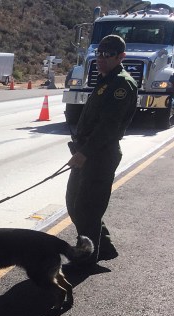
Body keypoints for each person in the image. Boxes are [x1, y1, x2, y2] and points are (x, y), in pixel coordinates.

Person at [66, 34, 137, 268]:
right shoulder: (106, 79)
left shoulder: (121, 84)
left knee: (87, 209)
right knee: (75, 203)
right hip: (88, 151)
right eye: (99, 53)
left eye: (108, 55)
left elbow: (109, 127)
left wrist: (84, 152)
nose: (101, 59)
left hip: (100, 154)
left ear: (121, 56)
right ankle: (103, 247)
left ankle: (85, 261)